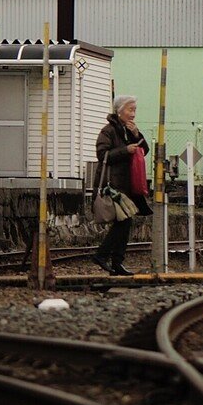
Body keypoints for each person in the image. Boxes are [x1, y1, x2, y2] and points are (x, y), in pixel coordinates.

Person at [92, 94, 151, 277]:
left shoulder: (129, 130)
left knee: (125, 222)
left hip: (126, 184)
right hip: (112, 184)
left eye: (135, 110)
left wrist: (137, 135)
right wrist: (125, 150)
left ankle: (116, 262)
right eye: (130, 110)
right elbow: (103, 155)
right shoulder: (108, 131)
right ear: (119, 111)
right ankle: (103, 256)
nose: (133, 114)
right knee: (124, 221)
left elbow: (144, 150)